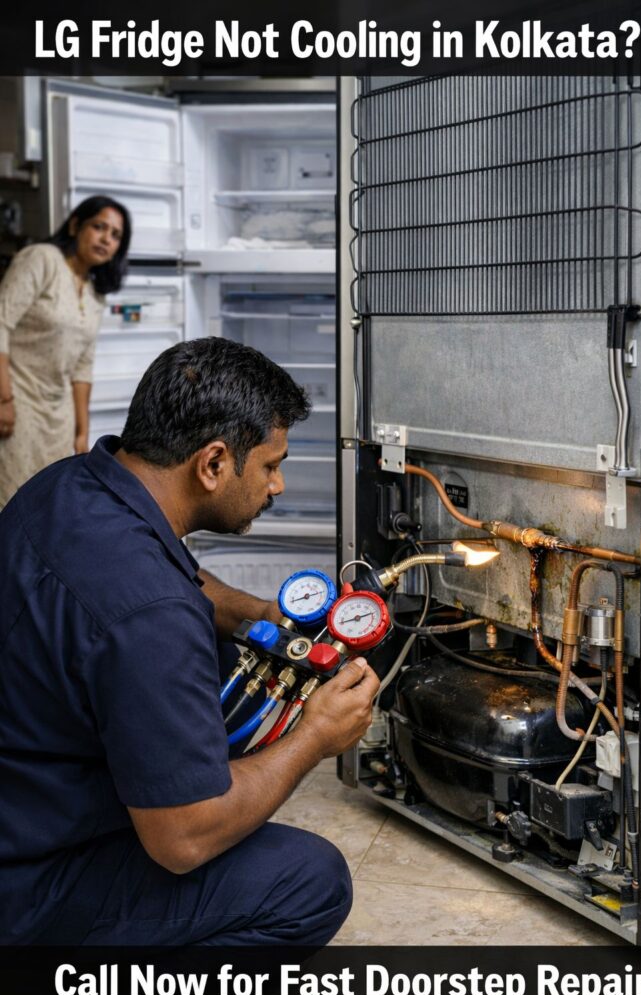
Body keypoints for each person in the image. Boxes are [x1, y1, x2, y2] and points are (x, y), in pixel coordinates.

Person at [0, 336, 379, 946]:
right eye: (270, 465)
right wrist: (316, 737)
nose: (277, 486)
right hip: (28, 885)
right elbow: (184, 841)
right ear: (213, 463)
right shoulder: (152, 615)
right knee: (309, 880)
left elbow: (172, 570)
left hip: (23, 791)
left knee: (225, 657)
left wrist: (255, 613)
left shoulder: (68, 485)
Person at [0, 195, 131, 509]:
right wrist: (4, 400)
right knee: (11, 504)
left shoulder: (94, 293)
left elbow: (82, 368)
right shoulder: (41, 259)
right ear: (75, 225)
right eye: (99, 227)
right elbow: (0, 322)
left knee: (48, 507)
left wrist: (81, 433)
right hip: (18, 404)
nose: (106, 239)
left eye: (115, 235)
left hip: (58, 417)